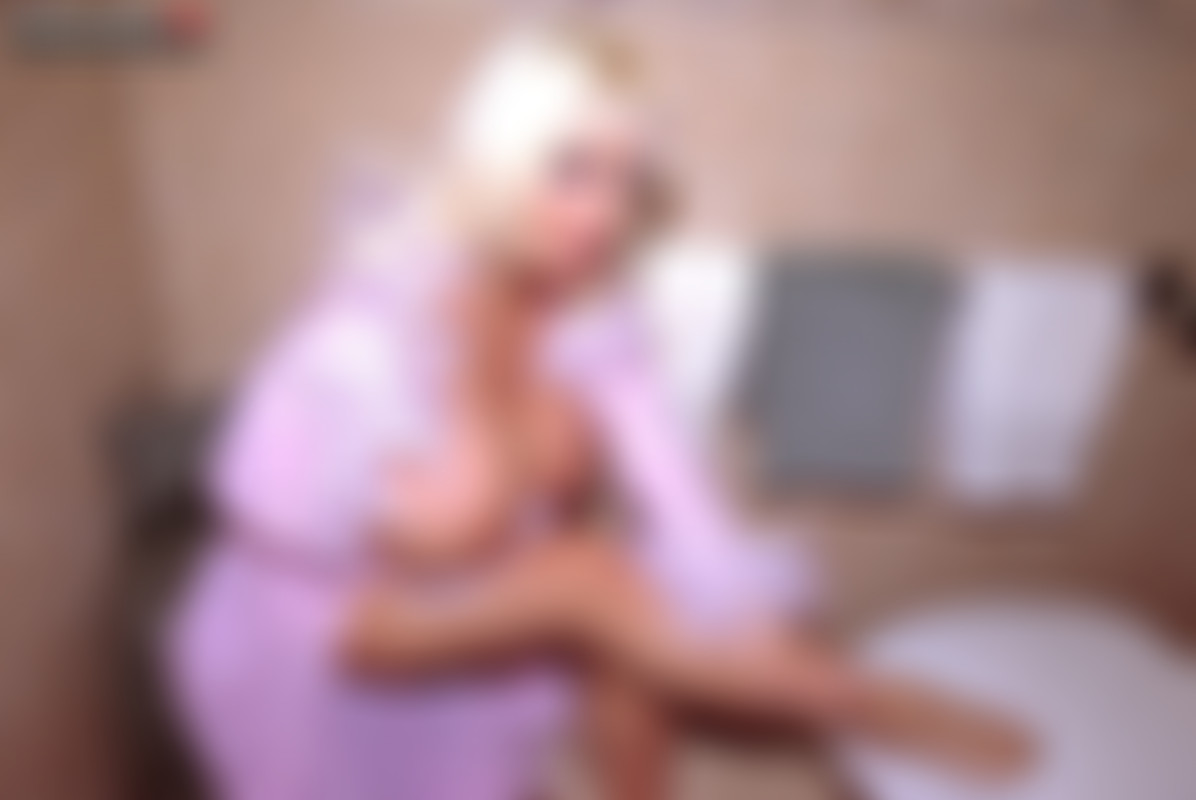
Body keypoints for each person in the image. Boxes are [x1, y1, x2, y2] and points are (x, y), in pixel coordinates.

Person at [169, 23, 1029, 800]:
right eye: (572, 170)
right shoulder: (369, 332)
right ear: (502, 156)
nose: (604, 214)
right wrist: (834, 692)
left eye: (625, 182)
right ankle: (886, 709)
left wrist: (769, 643)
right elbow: (269, 527)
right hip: (320, 642)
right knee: (588, 580)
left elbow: (692, 522)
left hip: (468, 622)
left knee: (623, 603)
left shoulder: (595, 331)